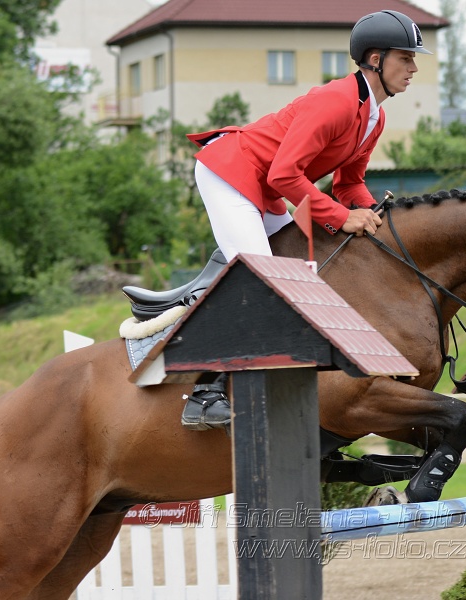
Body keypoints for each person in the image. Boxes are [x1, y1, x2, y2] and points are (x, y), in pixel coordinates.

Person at [178, 9, 432, 430]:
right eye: (405, 58)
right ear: (375, 59)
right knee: (262, 275)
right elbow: (283, 173)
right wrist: (341, 217)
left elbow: (349, 185)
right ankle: (205, 393)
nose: (414, 68)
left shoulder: (374, 117)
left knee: (300, 269)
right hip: (232, 170)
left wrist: (376, 218)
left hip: (268, 186)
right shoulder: (334, 101)